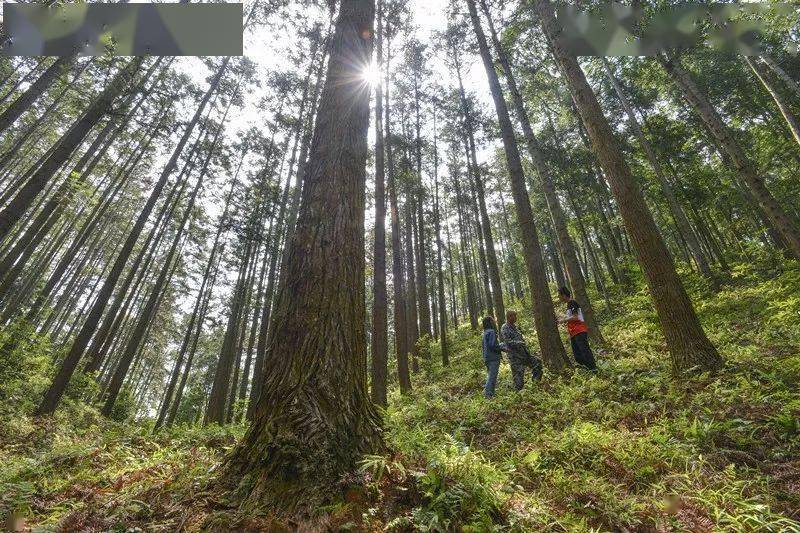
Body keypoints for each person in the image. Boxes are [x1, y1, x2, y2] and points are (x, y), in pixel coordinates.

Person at [500, 310, 543, 390]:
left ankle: (535, 385)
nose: (516, 318)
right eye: (514, 316)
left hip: (524, 354)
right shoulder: (505, 327)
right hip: (515, 357)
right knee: (518, 381)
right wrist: (519, 343)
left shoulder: (515, 327)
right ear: (509, 317)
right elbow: (508, 342)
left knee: (537, 363)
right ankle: (518, 396)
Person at [558, 286, 598, 371]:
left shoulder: (572, 302)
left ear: (564, 295)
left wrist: (563, 320)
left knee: (584, 350)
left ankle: (593, 368)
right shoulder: (569, 305)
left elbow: (575, 317)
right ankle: (588, 367)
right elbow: (572, 316)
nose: (559, 298)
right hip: (574, 332)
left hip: (579, 330)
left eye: (560, 296)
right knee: (577, 355)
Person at [481, 316, 506, 398]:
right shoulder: (491, 332)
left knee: (490, 375)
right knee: (492, 376)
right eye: (492, 320)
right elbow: (493, 345)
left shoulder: (485, 333)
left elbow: (485, 347)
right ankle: (488, 395)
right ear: (490, 322)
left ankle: (491, 393)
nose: (494, 321)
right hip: (493, 358)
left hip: (487, 358)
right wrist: (501, 347)